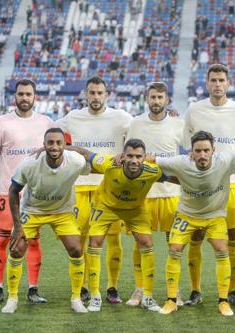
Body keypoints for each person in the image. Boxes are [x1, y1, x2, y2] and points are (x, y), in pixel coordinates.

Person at [156, 131, 235, 316]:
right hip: (187, 215)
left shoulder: (224, 159)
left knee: (222, 249)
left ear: (213, 150)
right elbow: (153, 159)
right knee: (174, 248)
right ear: (191, 152)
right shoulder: (180, 162)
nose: (202, 155)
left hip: (215, 215)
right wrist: (126, 159)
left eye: (206, 150)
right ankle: (171, 300)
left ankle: (223, 301)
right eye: (197, 151)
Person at [56, 76, 132, 305]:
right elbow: (51, 133)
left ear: (107, 95)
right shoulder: (73, 117)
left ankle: (112, 287)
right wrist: (70, 149)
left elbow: (146, 124)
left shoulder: (121, 117)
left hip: (110, 187)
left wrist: (171, 114)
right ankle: (84, 287)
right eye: (92, 92)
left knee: (113, 239)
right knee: (80, 239)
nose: (96, 97)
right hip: (80, 186)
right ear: (86, 94)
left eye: (100, 93)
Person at [0, 79, 54, 305]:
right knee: (2, 240)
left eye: (28, 94)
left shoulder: (46, 122)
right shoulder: (2, 122)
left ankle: (32, 289)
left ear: (34, 96)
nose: (24, 98)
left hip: (35, 194)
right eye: (20, 94)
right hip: (6, 192)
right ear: (15, 96)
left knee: (33, 240)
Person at [182, 64, 235, 307]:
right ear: (206, 83)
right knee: (197, 235)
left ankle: (231, 290)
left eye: (221, 80)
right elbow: (185, 143)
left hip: (231, 182)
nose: (217, 84)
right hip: (201, 182)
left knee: (233, 235)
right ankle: (195, 290)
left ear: (228, 83)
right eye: (213, 80)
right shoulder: (194, 109)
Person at [69, 139, 165, 313]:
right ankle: (95, 295)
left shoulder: (153, 171)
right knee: (95, 242)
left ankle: (148, 296)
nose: (134, 160)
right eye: (130, 156)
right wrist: (57, 147)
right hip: (105, 206)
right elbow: (84, 153)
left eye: (138, 156)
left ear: (145, 158)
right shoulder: (109, 164)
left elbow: (178, 176)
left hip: (135, 209)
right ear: (122, 156)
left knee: (147, 243)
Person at [1, 129, 90, 314]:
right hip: (33, 210)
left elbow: (91, 160)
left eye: (59, 143)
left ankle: (76, 298)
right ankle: (12, 298)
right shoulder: (29, 163)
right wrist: (17, 227)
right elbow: (13, 191)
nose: (54, 147)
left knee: (76, 248)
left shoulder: (75, 161)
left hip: (62, 211)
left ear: (65, 145)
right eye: (50, 143)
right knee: (16, 249)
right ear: (44, 145)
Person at [125, 82, 186, 306]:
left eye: (160, 97)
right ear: (146, 99)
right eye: (153, 97)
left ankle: (174, 291)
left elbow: (187, 154)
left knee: (175, 244)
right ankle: (140, 290)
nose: (156, 101)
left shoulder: (179, 124)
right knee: (141, 243)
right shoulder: (136, 124)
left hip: (172, 193)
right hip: (143, 194)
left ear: (167, 100)